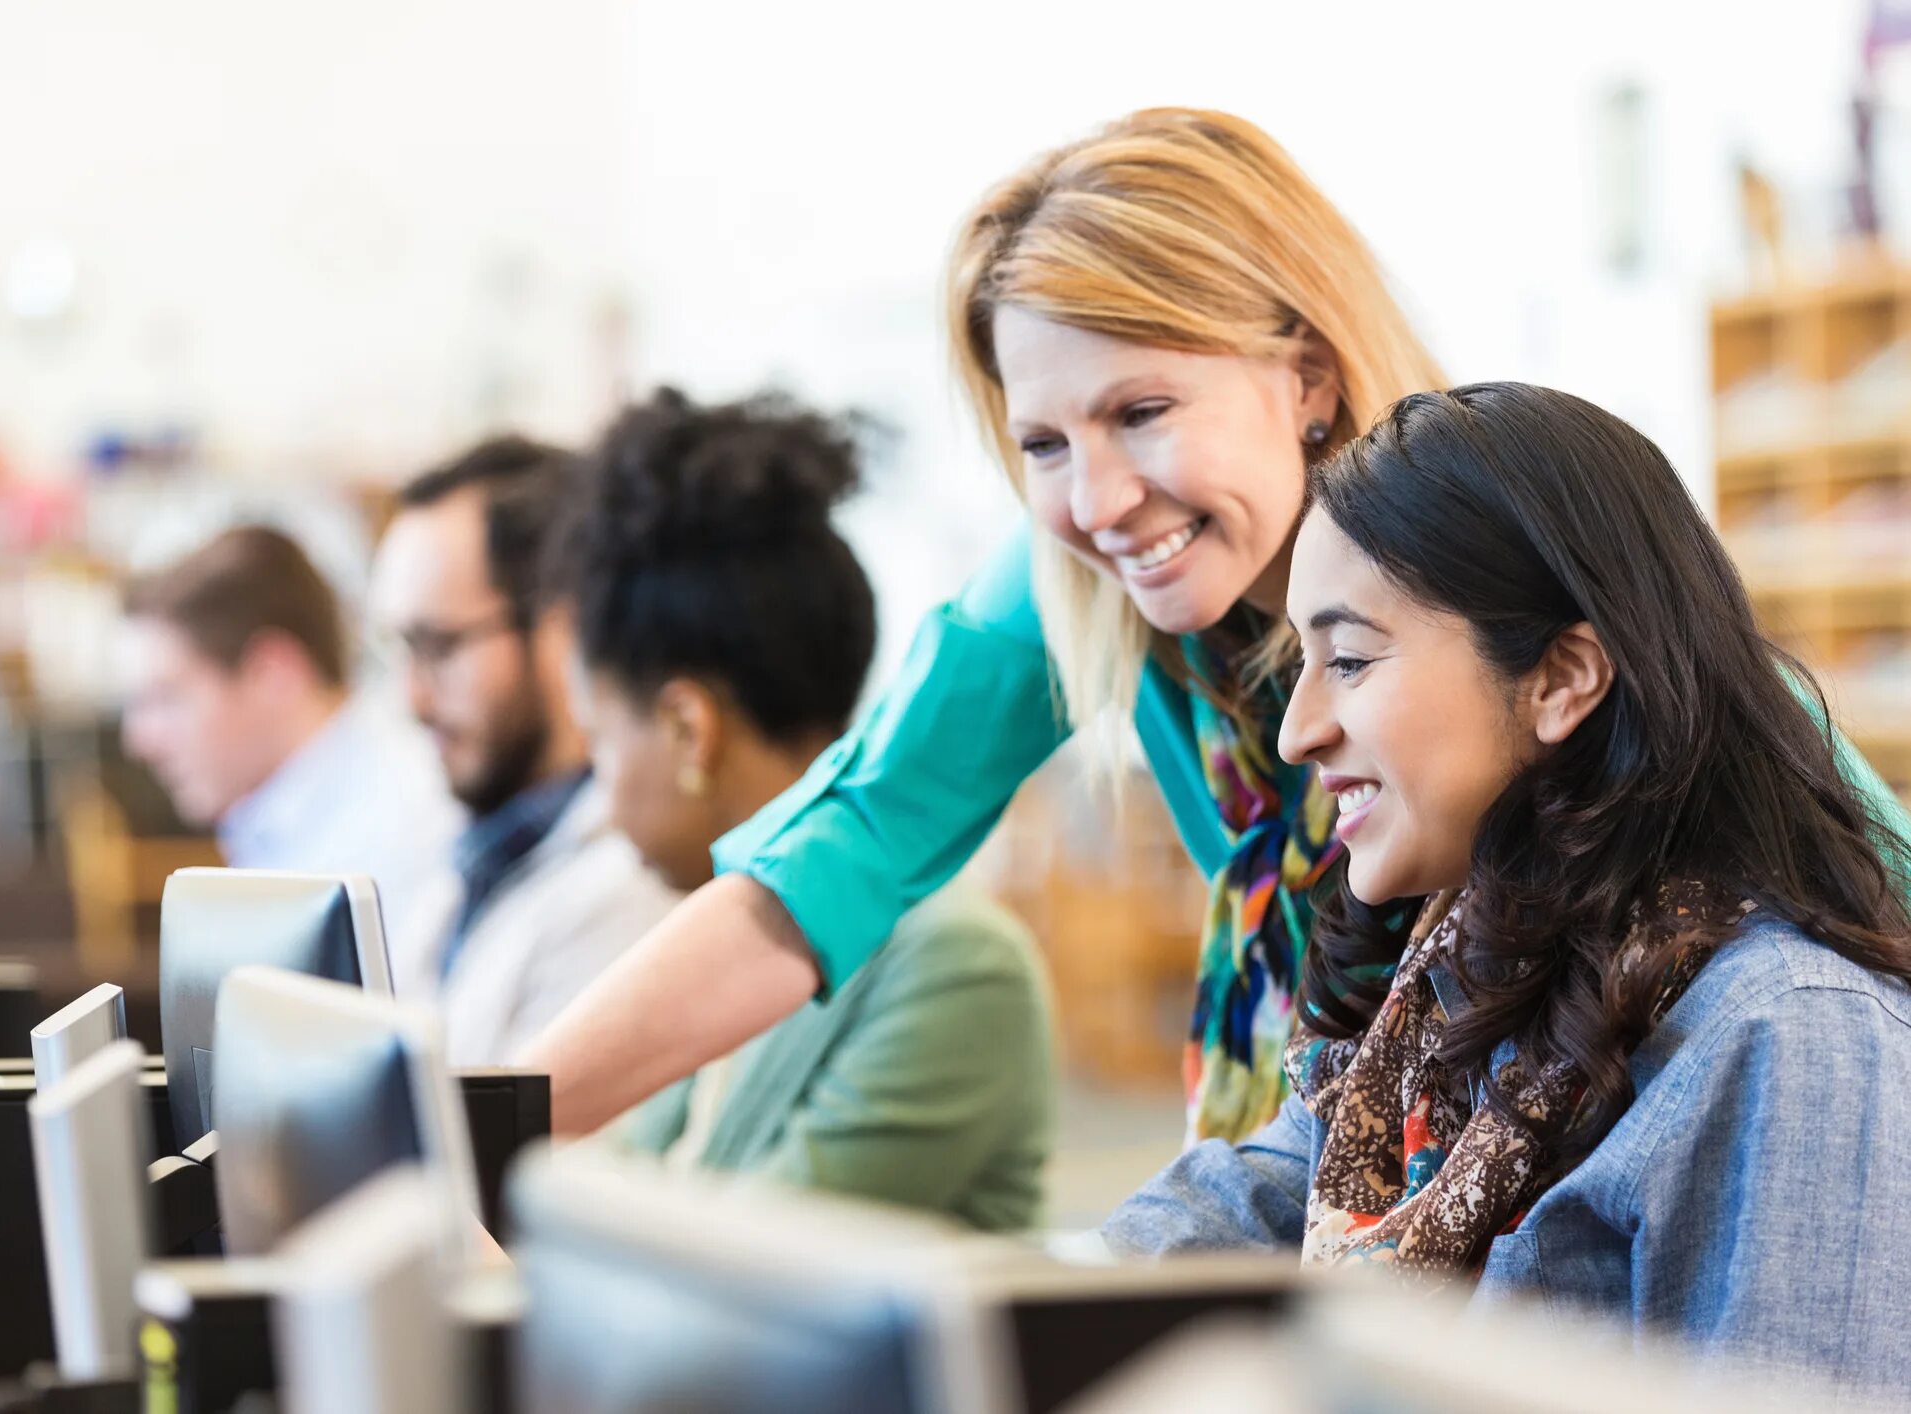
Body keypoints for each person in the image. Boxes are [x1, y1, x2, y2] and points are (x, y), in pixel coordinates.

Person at [519, 107, 1909, 1143]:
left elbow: (1834, 865)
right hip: (1394, 1165)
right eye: (1042, 441)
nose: (1096, 498)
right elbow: (840, 850)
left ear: (1305, 374)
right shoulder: (1079, 586)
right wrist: (491, 1125)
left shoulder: (1510, 554)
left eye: (1142, 412)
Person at [1107, 384, 1911, 1393]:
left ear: (1563, 677)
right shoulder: (1455, 974)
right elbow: (1261, 1191)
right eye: (1301, 663)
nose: (1294, 731)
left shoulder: (1792, 1034)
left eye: (1349, 659)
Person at [552, 389, 1056, 1231]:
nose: (596, 803)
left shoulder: (956, 961)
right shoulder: (714, 954)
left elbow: (731, 1279)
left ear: (688, 729)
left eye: (598, 743)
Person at [370, 436, 677, 1065]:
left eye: (439, 647)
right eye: (399, 649)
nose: (413, 699)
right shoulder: (477, 850)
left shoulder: (627, 892)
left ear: (563, 631)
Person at [120, 524, 461, 932]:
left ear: (272, 674)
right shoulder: (281, 820)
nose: (138, 741)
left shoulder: (399, 842)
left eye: (166, 698)